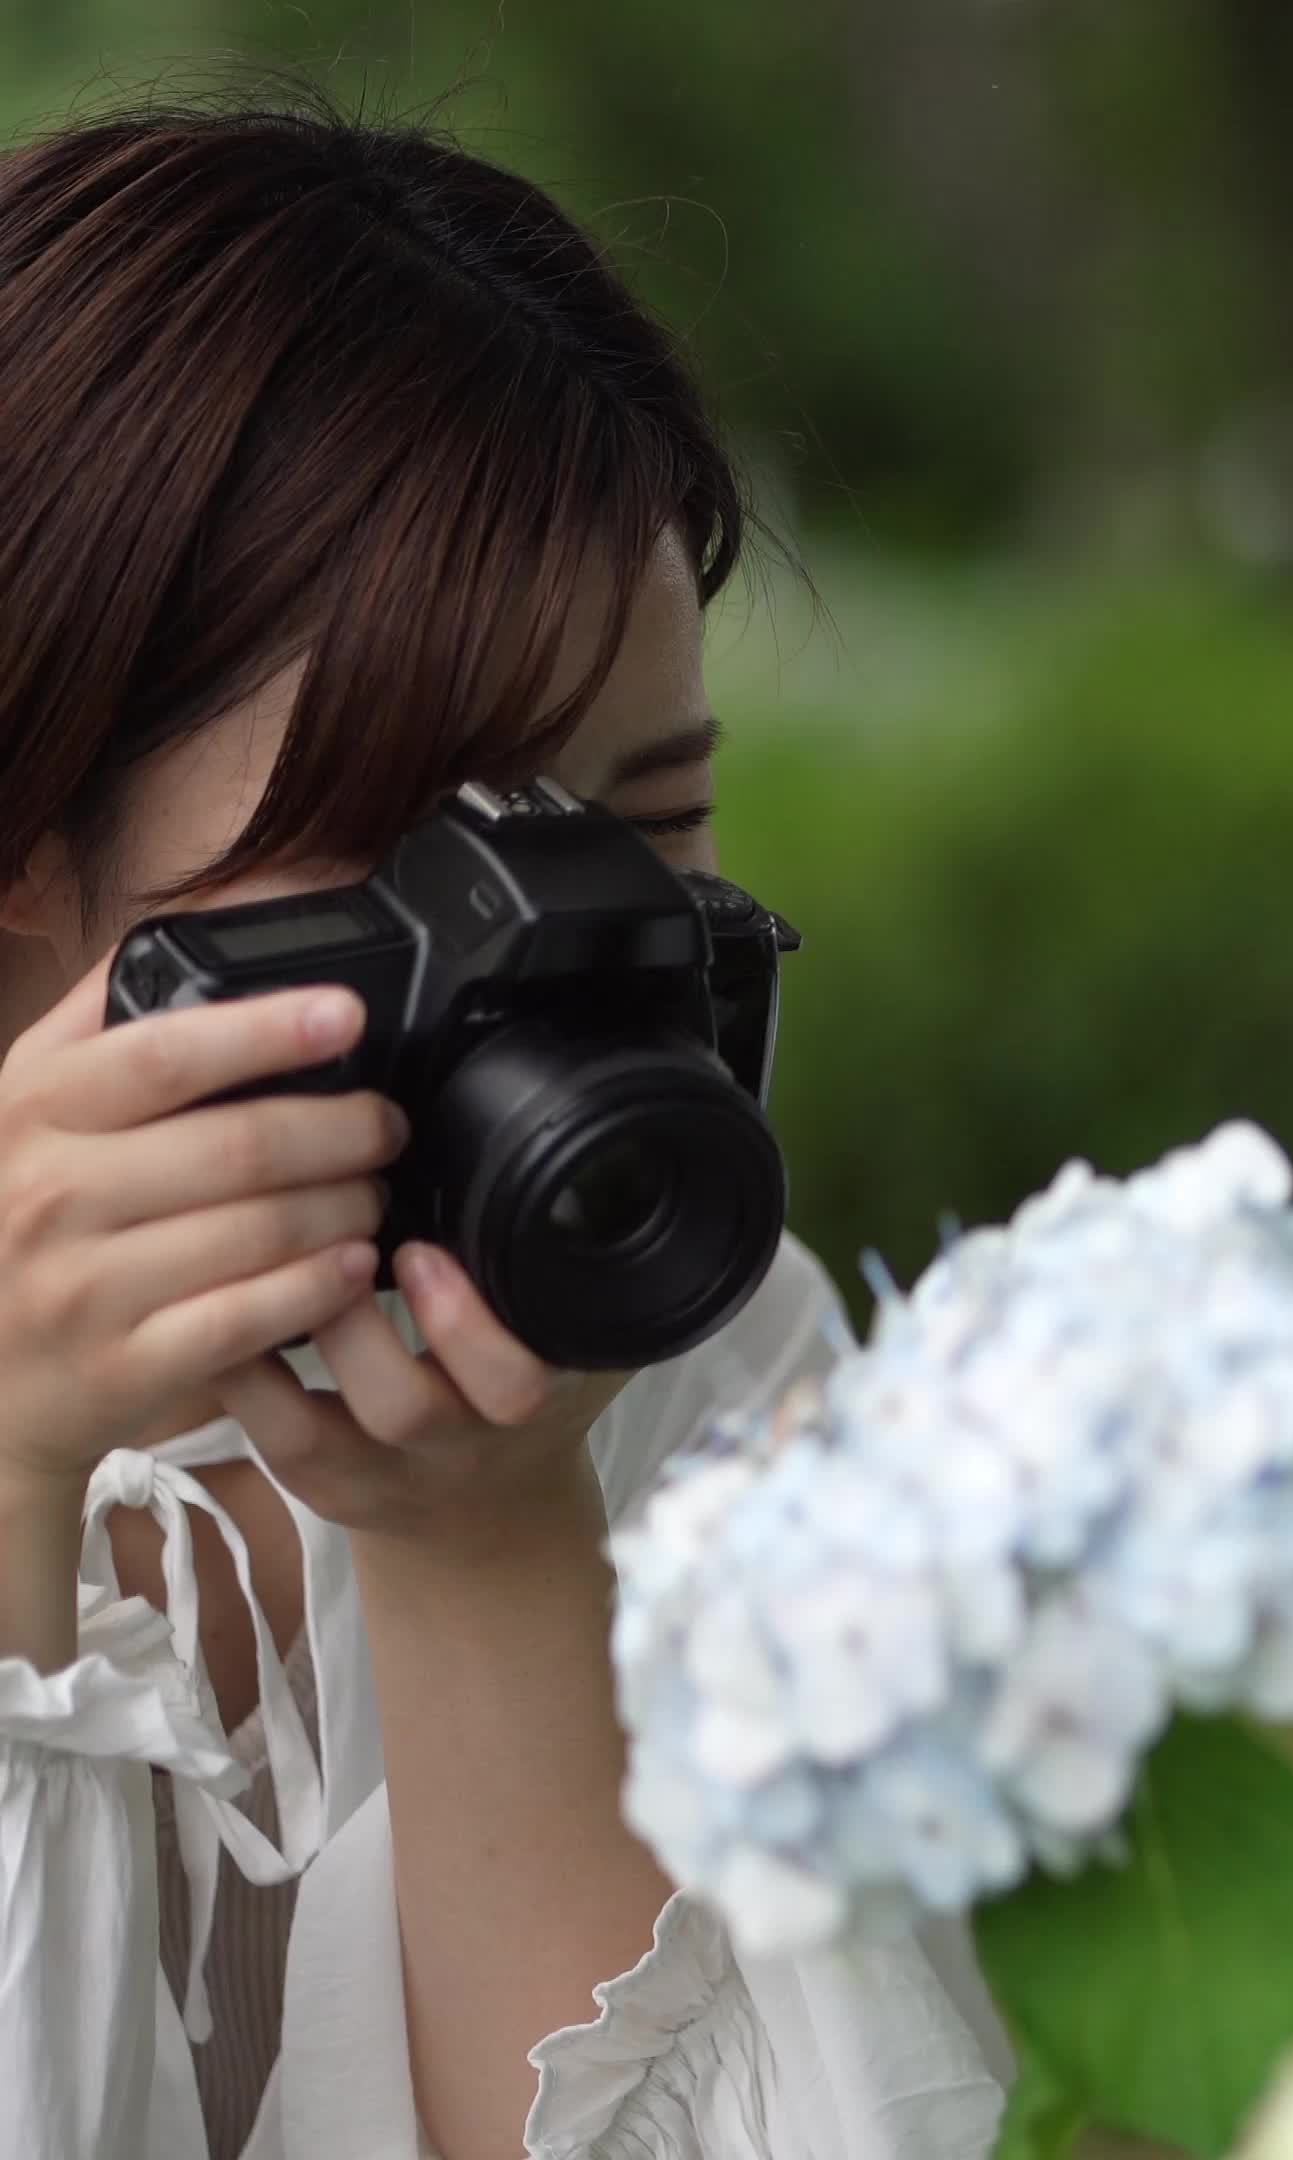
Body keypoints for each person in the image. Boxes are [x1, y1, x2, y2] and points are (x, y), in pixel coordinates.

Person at [0, 99, 1009, 2159]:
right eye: (405, 850)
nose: (549, 945)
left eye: (644, 831)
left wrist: (486, 1552)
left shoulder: (704, 1355)